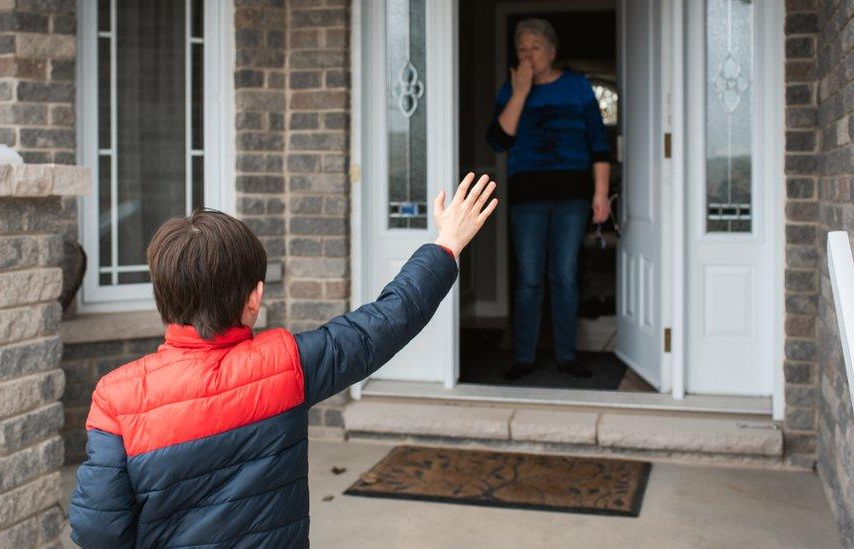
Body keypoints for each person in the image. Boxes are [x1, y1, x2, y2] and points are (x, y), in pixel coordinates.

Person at [69, 173, 497, 547]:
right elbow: (385, 322)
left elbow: (98, 531)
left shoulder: (116, 398)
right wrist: (446, 244)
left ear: (163, 298)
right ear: (254, 299)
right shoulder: (286, 365)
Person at [486, 18, 612, 381]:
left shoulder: (577, 86)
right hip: (527, 199)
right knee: (528, 279)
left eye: (535, 47)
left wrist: (601, 194)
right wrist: (521, 92)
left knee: (565, 277)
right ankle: (523, 357)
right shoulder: (510, 89)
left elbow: (598, 144)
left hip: (573, 198)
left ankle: (567, 357)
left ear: (552, 51)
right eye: (521, 49)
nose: (527, 55)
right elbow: (499, 141)